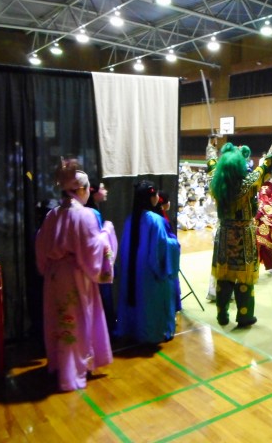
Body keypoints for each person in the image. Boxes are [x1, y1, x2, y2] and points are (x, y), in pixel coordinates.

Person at [35, 158, 118, 392]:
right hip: (75, 276)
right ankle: (73, 373)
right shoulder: (85, 216)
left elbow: (40, 246)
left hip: (54, 277)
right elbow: (91, 251)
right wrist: (107, 233)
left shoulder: (52, 215)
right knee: (76, 323)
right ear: (81, 190)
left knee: (58, 321)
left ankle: (61, 365)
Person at [207, 132, 272, 327]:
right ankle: (244, 315)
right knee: (244, 280)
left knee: (224, 277)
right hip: (244, 236)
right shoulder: (249, 184)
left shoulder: (216, 182)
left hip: (224, 235)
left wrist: (210, 146)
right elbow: (267, 164)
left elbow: (211, 163)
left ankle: (222, 314)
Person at [116, 180, 179, 343]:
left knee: (134, 298)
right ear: (152, 197)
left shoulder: (131, 219)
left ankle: (131, 329)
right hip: (149, 273)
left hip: (133, 270)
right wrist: (174, 243)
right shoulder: (156, 220)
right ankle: (152, 332)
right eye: (157, 194)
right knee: (150, 303)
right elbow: (161, 249)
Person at [85, 180, 116, 335]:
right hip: (96, 263)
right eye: (103, 188)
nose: (106, 191)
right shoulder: (93, 213)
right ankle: (105, 331)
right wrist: (107, 230)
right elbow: (98, 241)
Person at [255, 181, 272, 275]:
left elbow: (254, 213)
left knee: (256, 249)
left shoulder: (257, 204)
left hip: (257, 230)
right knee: (267, 250)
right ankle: (271, 266)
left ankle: (254, 269)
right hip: (270, 231)